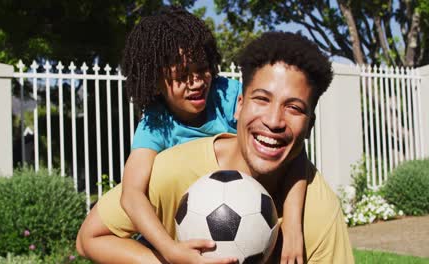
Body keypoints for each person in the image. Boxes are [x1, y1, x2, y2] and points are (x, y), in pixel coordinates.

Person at [76, 31, 355, 263]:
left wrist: (293, 223)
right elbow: (92, 235)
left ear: (310, 124)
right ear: (241, 105)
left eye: (293, 108)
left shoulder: (319, 211)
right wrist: (170, 256)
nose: (274, 121)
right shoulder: (168, 162)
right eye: (262, 99)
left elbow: (287, 150)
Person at [116, 6, 306, 264]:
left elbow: (290, 151)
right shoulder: (155, 124)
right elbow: (131, 193)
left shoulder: (227, 96)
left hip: (248, 229)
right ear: (156, 81)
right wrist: (170, 250)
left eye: (202, 69)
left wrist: (293, 226)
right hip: (183, 235)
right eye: (182, 76)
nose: (196, 82)